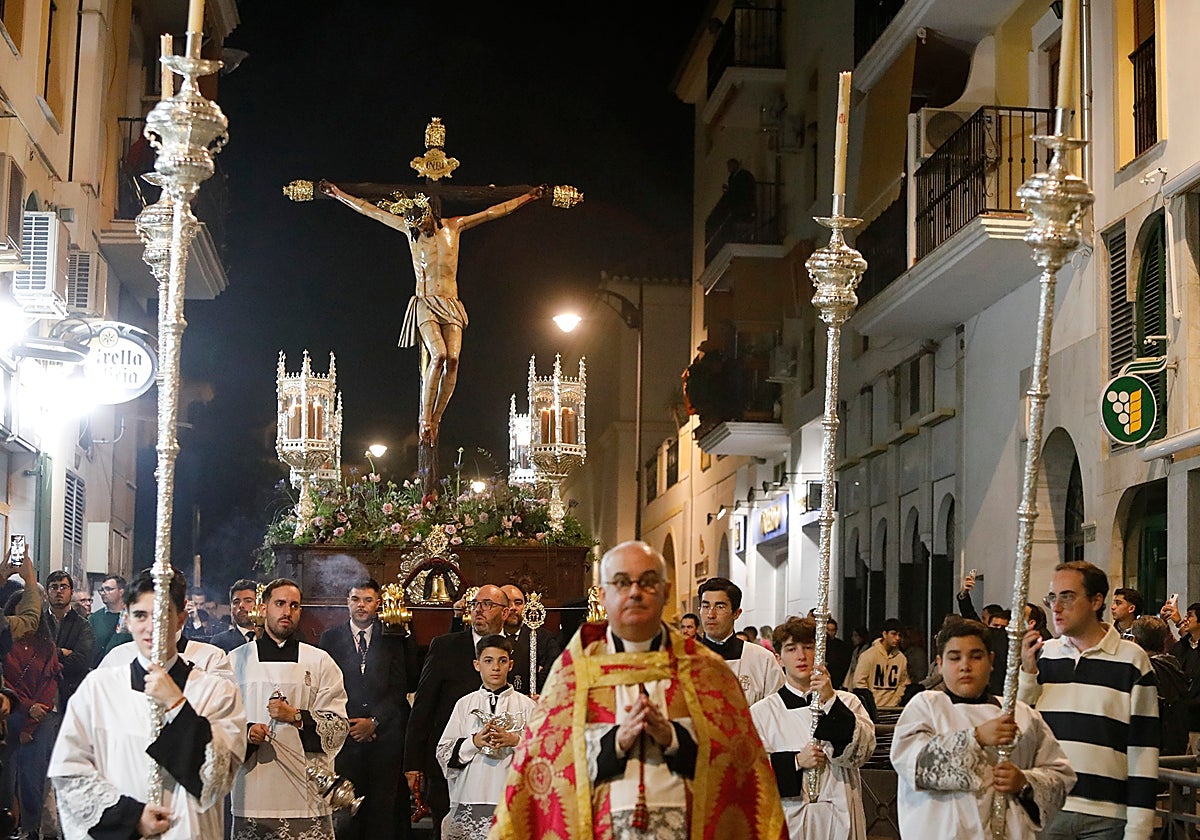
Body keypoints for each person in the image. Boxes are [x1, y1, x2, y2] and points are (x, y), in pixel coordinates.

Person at [490, 541, 786, 838]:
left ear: (666, 592)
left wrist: (673, 738)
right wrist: (616, 741)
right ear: (603, 596)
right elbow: (546, 763)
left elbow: (738, 762)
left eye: (647, 582)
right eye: (621, 582)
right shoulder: (575, 672)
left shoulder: (706, 672)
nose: (634, 592)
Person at [321, 180, 545, 444]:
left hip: (451, 302)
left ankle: (436, 418)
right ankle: (425, 418)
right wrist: (338, 194)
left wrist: (527, 198)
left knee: (453, 360)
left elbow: (492, 212)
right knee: (438, 355)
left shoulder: (454, 226)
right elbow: (370, 210)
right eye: (417, 227)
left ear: (431, 216)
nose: (422, 230)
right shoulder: (409, 231)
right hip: (425, 302)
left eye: (424, 225)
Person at [49, 568, 246, 839]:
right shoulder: (99, 689)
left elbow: (217, 780)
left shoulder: (216, 692)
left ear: (180, 619)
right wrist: (131, 818)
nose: (151, 626)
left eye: (162, 615)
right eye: (141, 615)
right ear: (127, 619)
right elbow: (70, 773)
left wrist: (176, 704)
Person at [892, 619, 1074, 838]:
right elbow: (913, 764)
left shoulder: (1023, 715)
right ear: (939, 663)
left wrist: (1024, 783)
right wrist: (976, 738)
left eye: (976, 657)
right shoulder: (926, 707)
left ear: (991, 660)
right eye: (954, 657)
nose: (965, 665)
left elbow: (1060, 776)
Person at [1019, 560, 1159, 840]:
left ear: (1096, 601)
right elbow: (1020, 732)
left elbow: (1143, 750)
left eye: (1067, 597)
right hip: (1046, 810)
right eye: (1052, 597)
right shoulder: (1042, 655)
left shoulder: (1132, 660)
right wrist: (1026, 674)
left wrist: (1139, 828)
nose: (1056, 608)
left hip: (1107, 818)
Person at [229, 578, 349, 840]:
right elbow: (221, 722)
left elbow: (339, 726)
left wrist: (296, 716)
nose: (287, 612)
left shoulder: (319, 661)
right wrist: (247, 734)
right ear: (263, 609)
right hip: (254, 788)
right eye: (279, 604)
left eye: (294, 606)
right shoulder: (236, 660)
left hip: (307, 792)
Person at [751, 617, 875, 839]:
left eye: (809, 647)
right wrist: (796, 761)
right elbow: (750, 773)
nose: (801, 656)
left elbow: (862, 752)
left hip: (840, 815)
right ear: (778, 658)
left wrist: (830, 701)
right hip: (789, 819)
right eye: (791, 649)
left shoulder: (848, 703)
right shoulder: (762, 713)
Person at [405, 584, 511, 829]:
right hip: (449, 765)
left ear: (504, 613)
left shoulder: (516, 650)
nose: (478, 610)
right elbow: (424, 706)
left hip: (503, 768)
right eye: (475, 604)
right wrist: (413, 763)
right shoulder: (445, 647)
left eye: (487, 605)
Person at [318, 578, 414, 840]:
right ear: (347, 603)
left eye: (367, 600)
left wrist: (374, 721)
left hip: (385, 740)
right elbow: (323, 686)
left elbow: (400, 686)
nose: (361, 606)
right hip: (344, 739)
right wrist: (349, 724)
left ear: (378, 603)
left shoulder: (394, 637)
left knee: (381, 813)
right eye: (355, 599)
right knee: (345, 811)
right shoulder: (330, 638)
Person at [436, 635, 535, 840]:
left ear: (511, 664)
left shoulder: (527, 706)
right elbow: (444, 752)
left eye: (502, 661)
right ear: (477, 664)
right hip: (472, 792)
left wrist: (515, 741)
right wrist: (474, 743)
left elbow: (545, 753)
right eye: (488, 661)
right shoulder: (464, 704)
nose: (496, 667)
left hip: (511, 795)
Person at [2, 586, 61, 840]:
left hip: (42, 720)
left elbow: (51, 680)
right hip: (12, 716)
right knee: (9, 775)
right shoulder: (4, 647)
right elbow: (6, 686)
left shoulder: (46, 645)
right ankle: (10, 825)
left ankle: (32, 829)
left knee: (33, 777)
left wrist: (36, 714)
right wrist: (27, 708)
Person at [698, 577, 784, 705]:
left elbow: (777, 711)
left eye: (720, 607)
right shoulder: (681, 658)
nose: (711, 614)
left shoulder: (762, 659)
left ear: (736, 613)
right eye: (705, 606)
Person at [1130, 615, 1188, 756]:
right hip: (1174, 745)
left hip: (1149, 749)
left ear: (1135, 640)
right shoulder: (1173, 666)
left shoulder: (1141, 671)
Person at [500, 583, 562, 696]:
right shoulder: (490, 637)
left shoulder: (545, 638)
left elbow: (553, 672)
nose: (513, 608)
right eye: (507, 603)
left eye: (518, 603)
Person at [45, 570, 93, 709]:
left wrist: (50, 659)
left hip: (71, 693)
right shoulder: (38, 623)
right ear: (47, 592)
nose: (58, 591)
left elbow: (81, 661)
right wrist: (62, 652)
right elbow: (33, 657)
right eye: (54, 587)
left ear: (71, 592)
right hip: (41, 694)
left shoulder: (83, 625)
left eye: (63, 587)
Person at [853, 619, 910, 708]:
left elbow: (903, 683)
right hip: (872, 709)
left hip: (893, 708)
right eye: (893, 634)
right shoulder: (868, 655)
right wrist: (870, 703)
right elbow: (859, 682)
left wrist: (896, 700)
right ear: (884, 634)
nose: (897, 638)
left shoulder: (901, 658)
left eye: (899, 635)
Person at [88, 574, 131, 665]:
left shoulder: (131, 617)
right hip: (99, 669)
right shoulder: (94, 618)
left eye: (108, 589)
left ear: (121, 592)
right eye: (102, 590)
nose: (104, 593)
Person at [211, 579, 262, 652]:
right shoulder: (220, 642)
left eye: (248, 601)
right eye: (236, 602)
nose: (241, 605)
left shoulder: (273, 639)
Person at [824, 617, 853, 688]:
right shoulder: (819, 645)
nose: (830, 633)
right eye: (828, 630)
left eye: (832, 630)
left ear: (836, 631)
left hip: (836, 679)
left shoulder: (842, 646)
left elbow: (844, 664)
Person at [843, 626, 871, 691]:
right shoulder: (856, 651)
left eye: (856, 636)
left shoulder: (868, 652)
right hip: (853, 683)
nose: (853, 638)